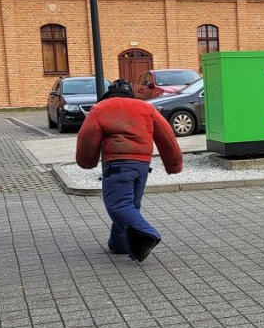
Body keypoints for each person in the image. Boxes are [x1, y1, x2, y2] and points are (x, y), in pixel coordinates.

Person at [76, 79, 184, 262]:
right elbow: (166, 135)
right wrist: (173, 164)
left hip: (117, 165)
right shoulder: (146, 108)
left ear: (110, 93)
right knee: (129, 205)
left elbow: (87, 136)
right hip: (142, 166)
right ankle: (119, 244)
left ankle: (148, 233)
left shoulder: (100, 108)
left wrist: (87, 162)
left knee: (117, 205)